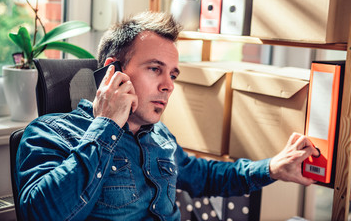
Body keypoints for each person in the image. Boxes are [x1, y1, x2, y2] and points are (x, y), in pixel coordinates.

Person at [16, 11, 319, 220]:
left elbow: (205, 176)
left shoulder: (158, 135)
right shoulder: (49, 133)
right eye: (155, 69)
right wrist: (106, 126)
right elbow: (42, 213)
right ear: (113, 71)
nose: (168, 85)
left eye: (172, 74)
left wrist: (273, 168)